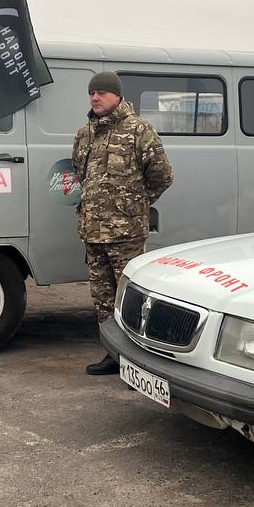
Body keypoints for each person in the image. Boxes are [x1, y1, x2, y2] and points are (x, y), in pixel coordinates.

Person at [73, 71, 173, 374]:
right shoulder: (85, 133)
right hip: (93, 233)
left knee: (131, 300)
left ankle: (138, 363)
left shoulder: (138, 129)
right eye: (92, 93)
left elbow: (162, 176)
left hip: (126, 235)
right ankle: (113, 355)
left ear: (117, 96)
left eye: (101, 92)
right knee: (103, 300)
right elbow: (81, 175)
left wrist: (133, 204)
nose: (95, 97)